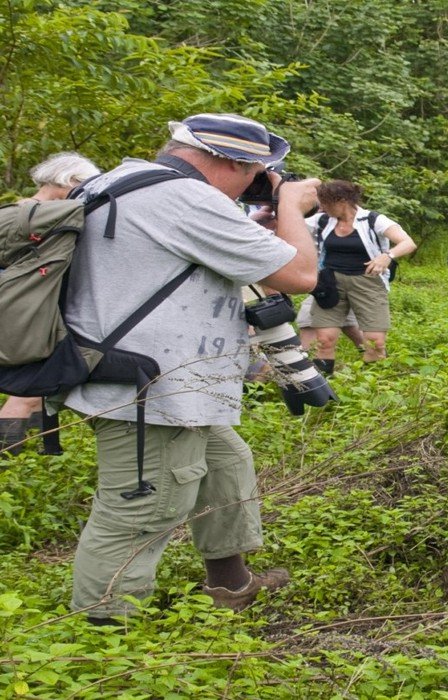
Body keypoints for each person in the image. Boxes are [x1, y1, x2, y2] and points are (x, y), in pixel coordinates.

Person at [61, 113, 320, 622]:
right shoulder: (185, 198)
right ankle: (101, 631)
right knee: (138, 511)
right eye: (255, 172)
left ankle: (231, 582)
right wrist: (289, 204)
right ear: (232, 162)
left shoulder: (119, 182)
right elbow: (300, 274)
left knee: (225, 466)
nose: (254, 184)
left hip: (145, 376)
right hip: (152, 389)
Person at [0, 152, 100, 456]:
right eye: (85, 184)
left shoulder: (19, 213)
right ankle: (9, 459)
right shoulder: (54, 215)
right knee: (28, 393)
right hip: (35, 318)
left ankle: (20, 460)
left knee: (28, 393)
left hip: (22, 315)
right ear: (70, 181)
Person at [309, 180, 416, 369]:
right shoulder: (323, 221)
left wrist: (387, 256)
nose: (322, 207)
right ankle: (323, 388)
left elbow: (408, 243)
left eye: (326, 203)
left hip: (368, 281)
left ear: (342, 201)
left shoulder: (373, 220)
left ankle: (373, 389)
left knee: (375, 342)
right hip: (330, 283)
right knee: (324, 340)